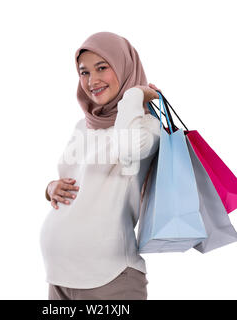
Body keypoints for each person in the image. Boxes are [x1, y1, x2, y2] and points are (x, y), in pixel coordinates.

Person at [39, 31, 161, 300]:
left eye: (102, 68)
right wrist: (51, 188)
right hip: (59, 277)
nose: (92, 81)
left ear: (124, 66)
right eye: (84, 72)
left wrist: (133, 97)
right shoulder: (83, 125)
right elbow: (75, 180)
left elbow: (127, 149)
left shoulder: (146, 125)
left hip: (110, 278)